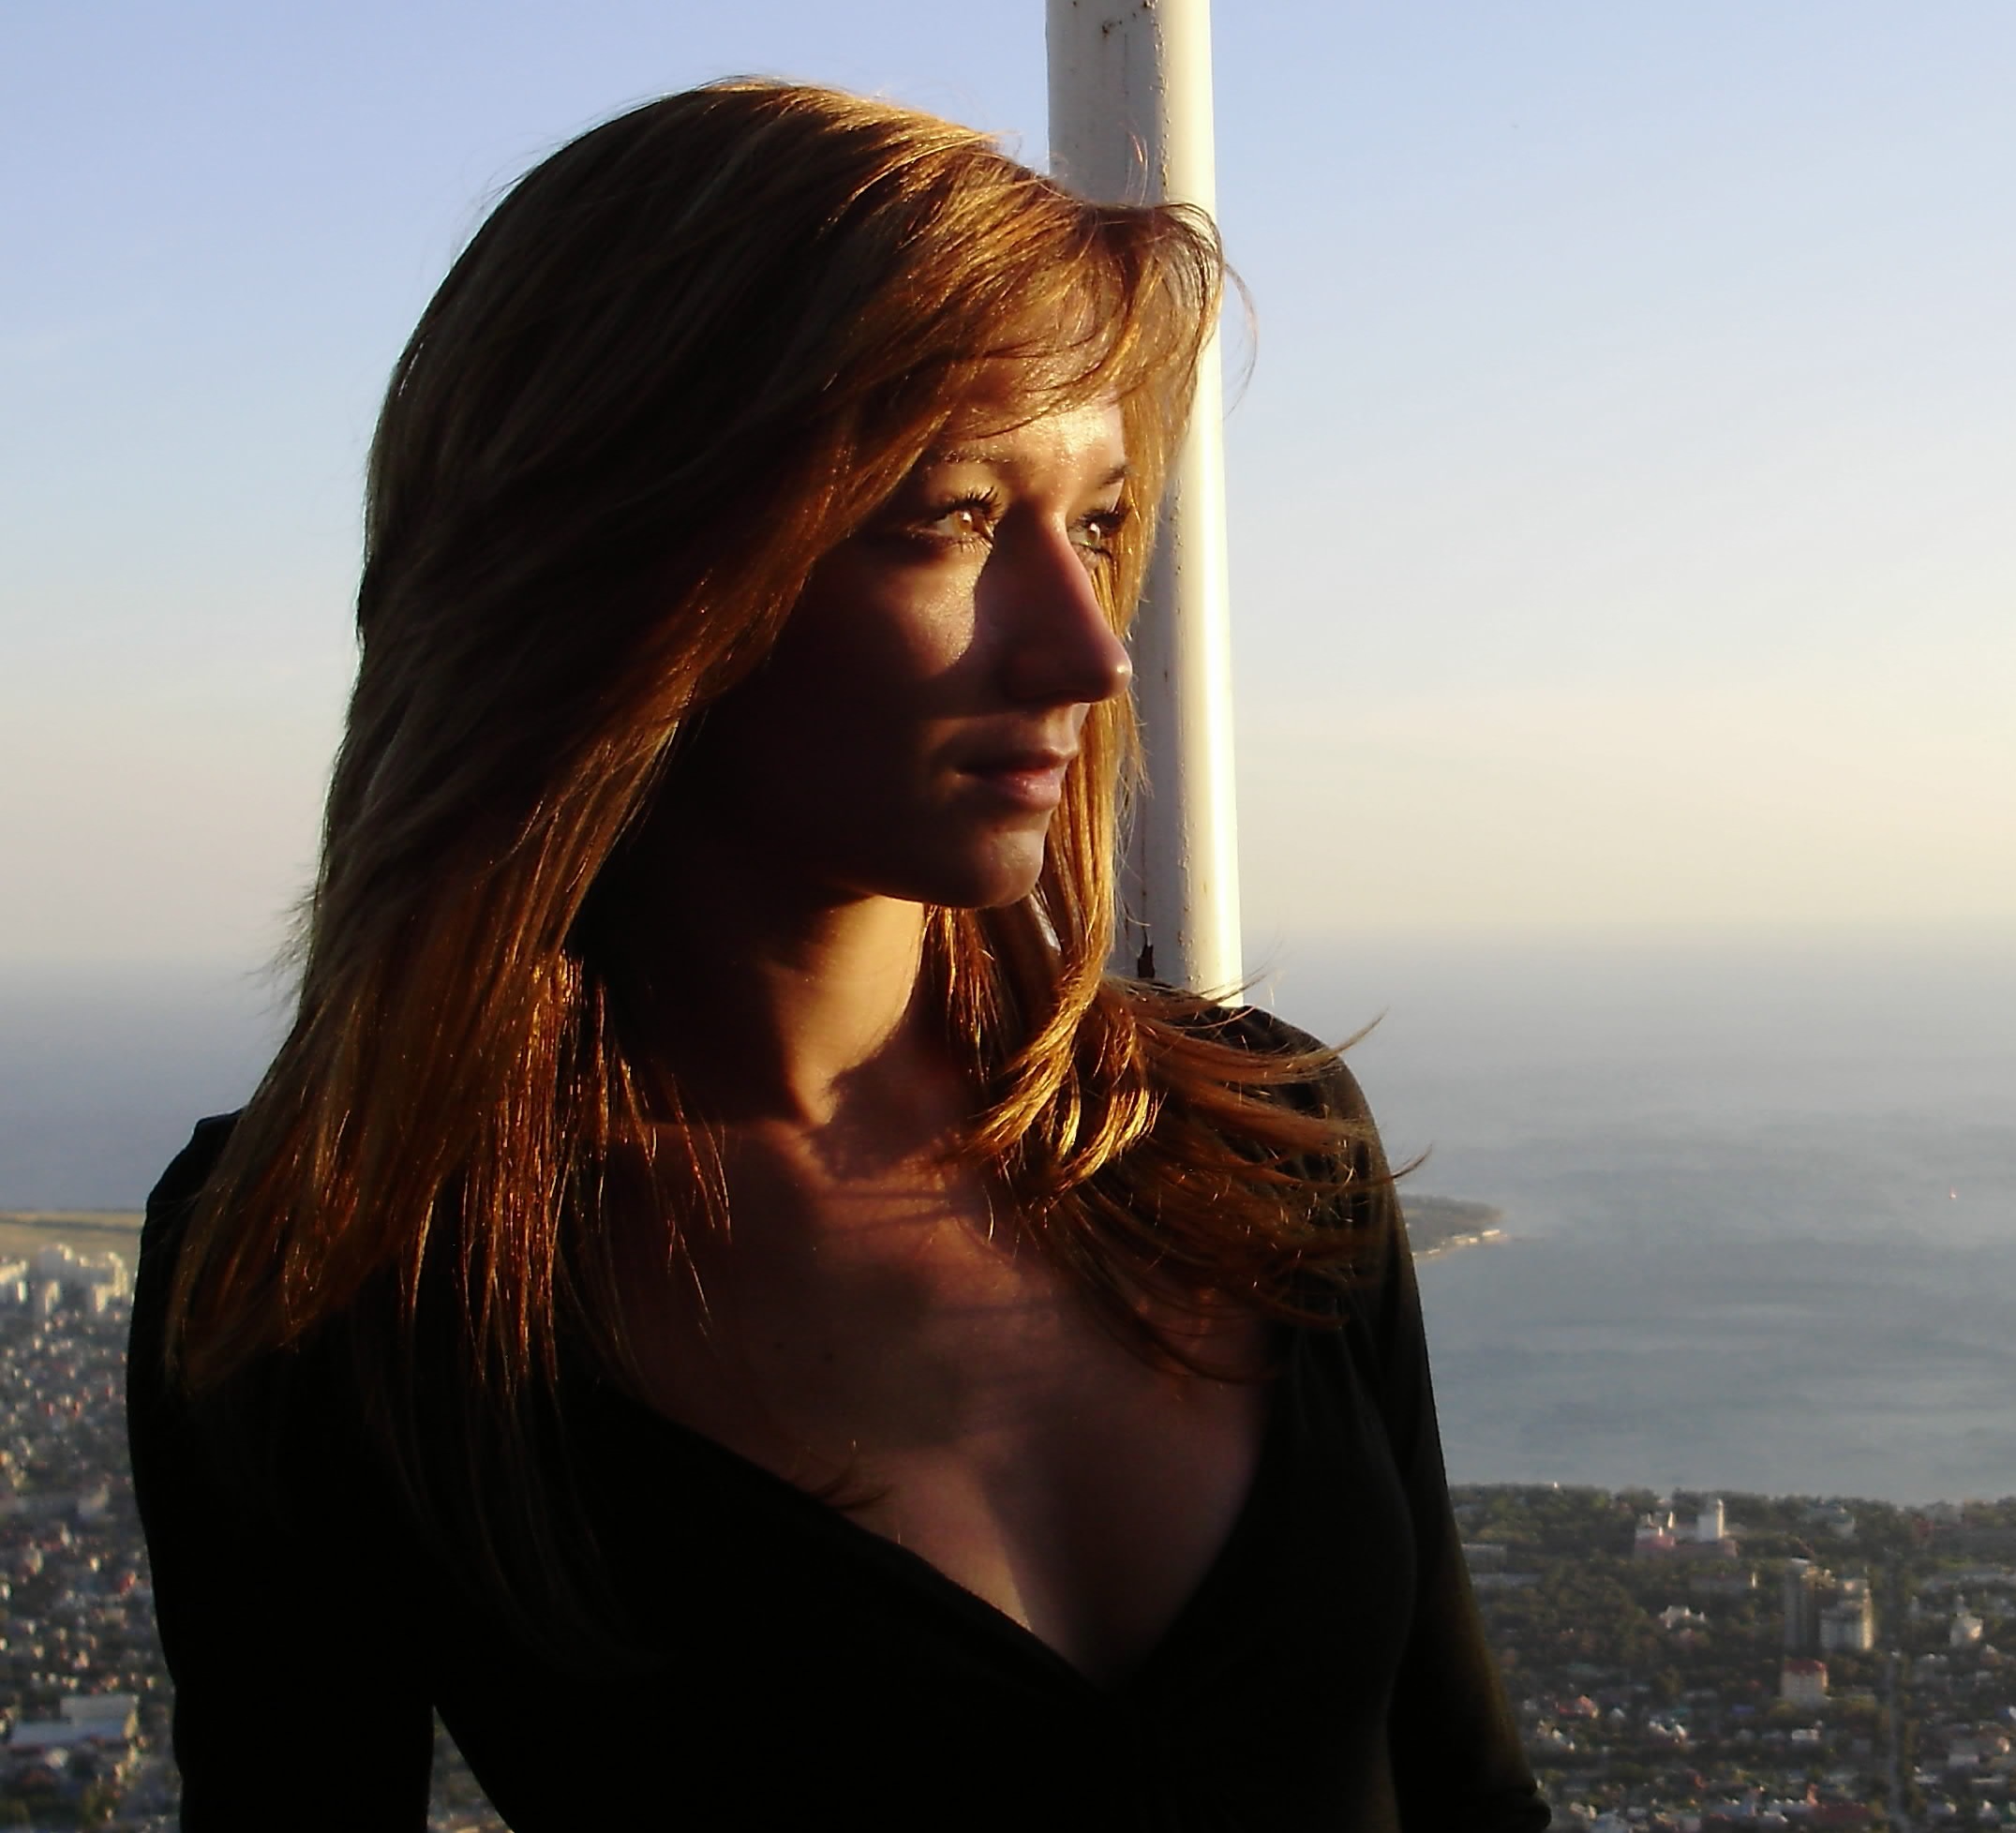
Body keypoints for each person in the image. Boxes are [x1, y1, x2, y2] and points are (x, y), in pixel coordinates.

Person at [127, 81, 1551, 1831]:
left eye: (1100, 522)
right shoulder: (339, 1275)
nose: (1091, 652)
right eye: (950, 517)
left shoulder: (1257, 1144)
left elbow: (1471, 1797)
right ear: (628, 565)